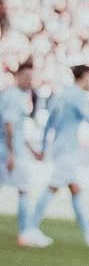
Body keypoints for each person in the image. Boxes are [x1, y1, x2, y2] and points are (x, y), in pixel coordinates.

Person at [29, 64, 89, 245]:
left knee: (75, 189)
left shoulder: (61, 94)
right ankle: (31, 228)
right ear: (84, 77)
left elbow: (49, 124)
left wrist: (44, 147)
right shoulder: (78, 96)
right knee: (53, 187)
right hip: (67, 150)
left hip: (59, 147)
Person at [2, 60, 46, 247]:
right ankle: (25, 233)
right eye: (27, 77)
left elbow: (17, 129)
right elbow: (9, 126)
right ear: (18, 75)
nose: (30, 81)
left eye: (32, 77)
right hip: (10, 151)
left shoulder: (15, 95)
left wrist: (32, 150)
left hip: (13, 149)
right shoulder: (14, 96)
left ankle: (26, 232)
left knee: (23, 189)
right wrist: (11, 154)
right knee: (24, 190)